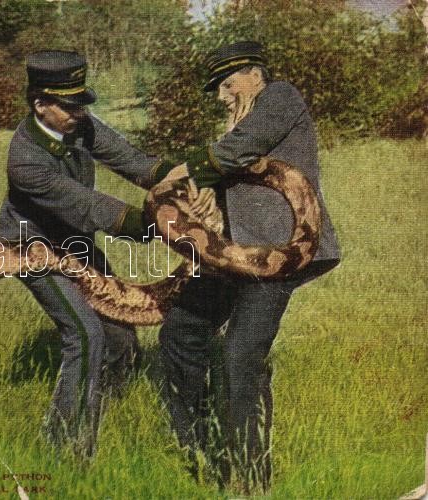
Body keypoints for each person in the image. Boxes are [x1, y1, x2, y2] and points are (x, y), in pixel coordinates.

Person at [156, 41, 341, 491]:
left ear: (254, 75)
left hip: (282, 254)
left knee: (240, 354)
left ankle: (252, 478)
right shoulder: (237, 122)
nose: (221, 96)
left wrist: (185, 170)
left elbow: (243, 148)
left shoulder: (280, 97)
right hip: (238, 258)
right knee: (180, 332)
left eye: (226, 84)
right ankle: (201, 456)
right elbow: (229, 174)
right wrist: (203, 202)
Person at [0, 50, 171, 458]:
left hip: (75, 245)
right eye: (68, 105)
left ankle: (104, 406)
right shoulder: (25, 159)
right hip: (33, 249)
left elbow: (134, 162)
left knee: (120, 331)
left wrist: (186, 181)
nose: (78, 112)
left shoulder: (81, 127)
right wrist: (159, 226)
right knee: (86, 334)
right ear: (40, 103)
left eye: (81, 103)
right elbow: (88, 205)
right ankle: (66, 443)